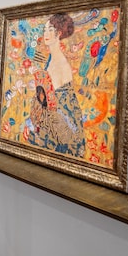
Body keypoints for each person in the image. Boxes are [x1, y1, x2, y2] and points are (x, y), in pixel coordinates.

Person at [30, 13, 84, 155]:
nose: (45, 34)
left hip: (62, 125)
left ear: (59, 33)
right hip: (52, 118)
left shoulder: (61, 63)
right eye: (45, 30)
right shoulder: (51, 59)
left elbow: (60, 105)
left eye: (50, 30)